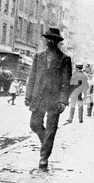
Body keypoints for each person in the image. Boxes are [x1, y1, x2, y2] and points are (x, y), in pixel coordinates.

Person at [24, 27, 72, 169]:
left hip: (54, 99)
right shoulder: (38, 56)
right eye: (48, 39)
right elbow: (32, 77)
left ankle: (44, 157)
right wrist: (28, 95)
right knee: (34, 124)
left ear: (57, 42)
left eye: (53, 39)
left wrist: (63, 101)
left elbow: (66, 81)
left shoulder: (65, 59)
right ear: (46, 40)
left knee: (51, 128)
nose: (50, 41)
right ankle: (46, 143)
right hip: (38, 96)